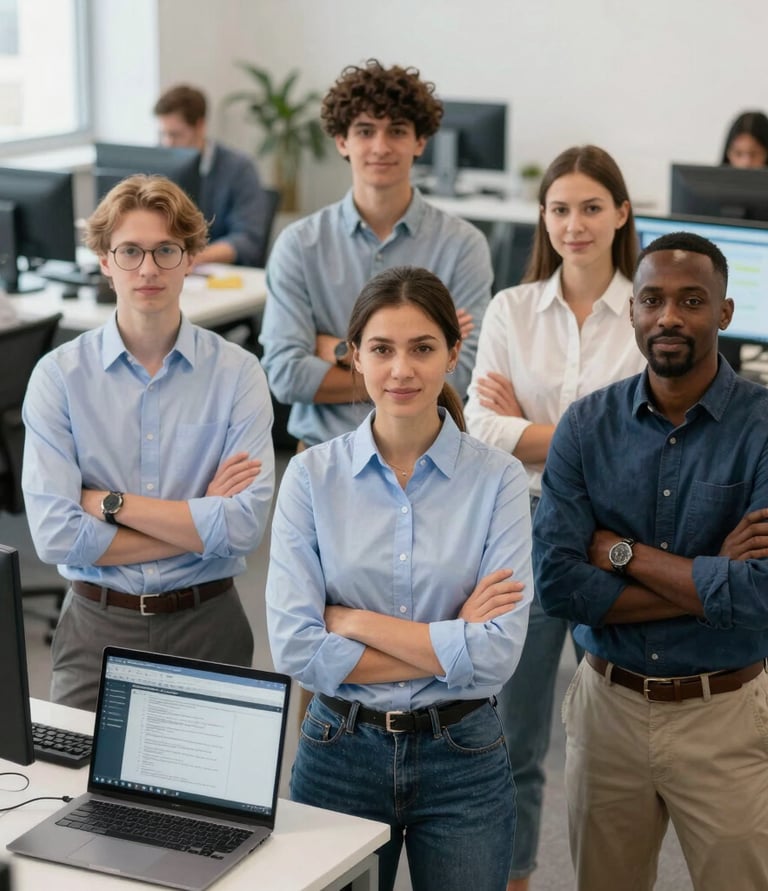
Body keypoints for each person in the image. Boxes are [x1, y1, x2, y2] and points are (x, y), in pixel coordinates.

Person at [266, 266, 532, 891]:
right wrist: (450, 640)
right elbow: (297, 649)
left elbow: (496, 655)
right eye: (382, 350)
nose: (401, 370)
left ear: (452, 354)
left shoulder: (499, 480)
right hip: (340, 750)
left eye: (422, 348)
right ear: (356, 357)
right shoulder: (310, 478)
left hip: (463, 752)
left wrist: (354, 623)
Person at [534, 231, 768, 891]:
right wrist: (710, 575)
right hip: (607, 707)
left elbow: (761, 592)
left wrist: (621, 552)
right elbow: (557, 584)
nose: (669, 316)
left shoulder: (762, 427)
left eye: (692, 300)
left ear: (724, 312)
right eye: (653, 300)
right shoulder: (585, 426)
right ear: (633, 310)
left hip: (724, 714)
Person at [21, 174, 275, 710]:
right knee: (68, 791)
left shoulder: (238, 373)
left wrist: (111, 505)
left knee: (207, 794)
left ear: (191, 258)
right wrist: (200, 521)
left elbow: (245, 525)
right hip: (96, 625)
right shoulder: (59, 376)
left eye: (165, 250)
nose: (148, 269)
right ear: (105, 261)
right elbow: (55, 538)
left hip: (209, 622)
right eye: (130, 252)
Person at [464, 144, 646, 891]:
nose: (575, 223)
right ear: (543, 217)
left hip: (623, 535)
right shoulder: (512, 308)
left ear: (621, 214)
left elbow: (646, 448)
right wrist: (592, 433)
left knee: (624, 735)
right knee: (516, 730)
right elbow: (480, 427)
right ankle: (514, 876)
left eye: (592, 207)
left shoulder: (648, 309)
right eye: (561, 208)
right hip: (524, 528)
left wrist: (539, 430)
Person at [259, 59, 492, 450]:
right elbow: (285, 375)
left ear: (420, 142)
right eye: (365, 131)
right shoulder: (298, 244)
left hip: (430, 458)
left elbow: (461, 374)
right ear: (342, 141)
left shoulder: (463, 245)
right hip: (322, 453)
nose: (381, 147)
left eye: (396, 131)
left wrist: (333, 349)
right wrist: (417, 369)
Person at [154, 84, 267, 266]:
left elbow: (248, 239)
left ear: (200, 126)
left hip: (219, 276)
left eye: (175, 135)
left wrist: (195, 257)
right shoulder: (159, 166)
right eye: (163, 135)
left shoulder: (239, 169)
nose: (168, 144)